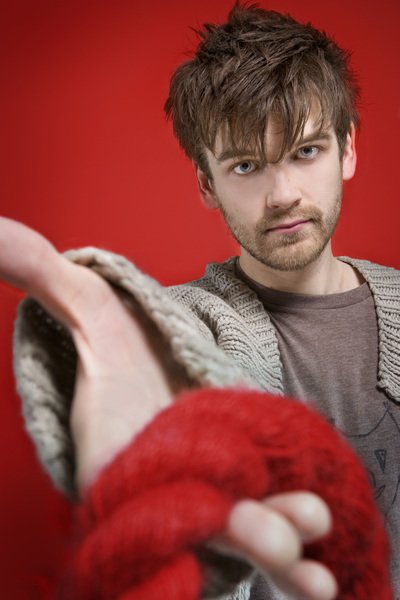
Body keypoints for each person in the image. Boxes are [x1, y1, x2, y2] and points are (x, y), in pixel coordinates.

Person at [1, 3, 398, 599]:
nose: (283, 194)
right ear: (207, 183)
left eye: (306, 151)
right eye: (247, 165)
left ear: (347, 150)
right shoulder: (181, 331)